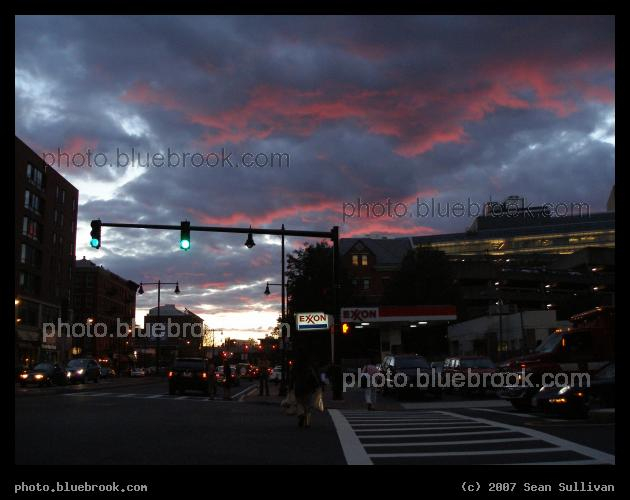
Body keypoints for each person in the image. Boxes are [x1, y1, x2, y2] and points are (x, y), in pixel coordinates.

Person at [292, 352, 320, 428]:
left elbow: (292, 377)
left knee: (299, 403)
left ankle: (301, 414)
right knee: (308, 405)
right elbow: (314, 377)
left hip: (298, 387)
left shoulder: (296, 367)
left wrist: (291, 386)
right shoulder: (309, 368)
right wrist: (318, 386)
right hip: (308, 388)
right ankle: (307, 422)